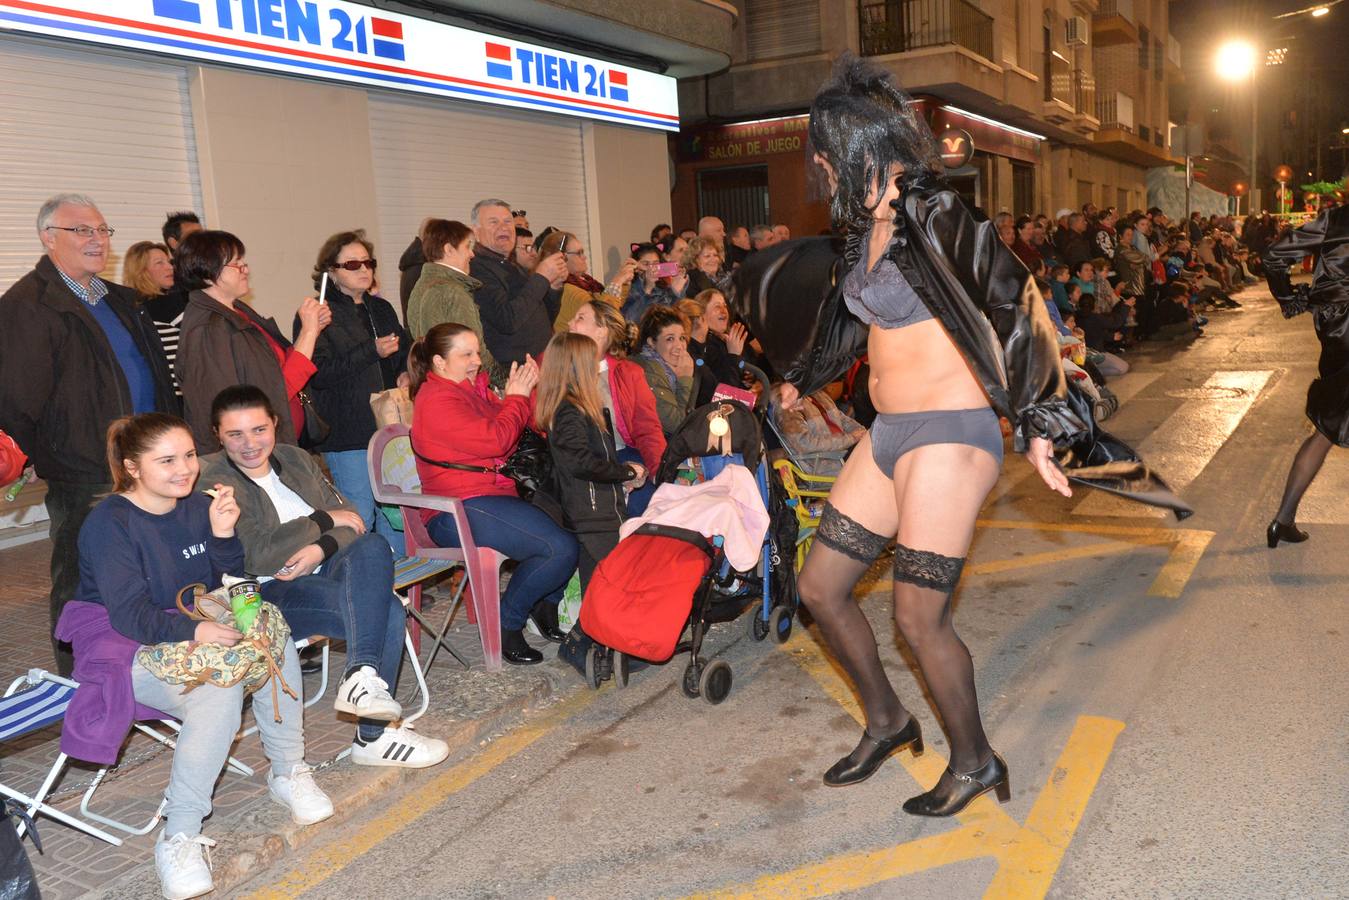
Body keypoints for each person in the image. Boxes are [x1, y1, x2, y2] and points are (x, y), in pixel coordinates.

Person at [759, 59, 1088, 817]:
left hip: (951, 430)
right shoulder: (861, 227)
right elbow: (848, 321)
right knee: (819, 589)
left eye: (821, 150)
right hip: (888, 431)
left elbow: (1013, 303)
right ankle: (887, 719)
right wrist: (801, 373)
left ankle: (974, 761)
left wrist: (1039, 422)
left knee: (917, 616)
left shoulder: (936, 213)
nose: (815, 164)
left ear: (854, 148)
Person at [59, 413, 330, 899]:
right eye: (166, 460)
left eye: (188, 455)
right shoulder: (109, 523)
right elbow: (128, 614)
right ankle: (178, 835)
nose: (184, 469)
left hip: (186, 614)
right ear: (132, 467)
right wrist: (197, 629)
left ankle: (288, 771)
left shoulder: (192, 505)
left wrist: (223, 534)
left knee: (271, 634)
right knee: (217, 691)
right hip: (121, 640)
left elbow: (224, 574)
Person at [200, 386, 449, 768]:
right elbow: (261, 554)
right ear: (218, 434)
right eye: (235, 434)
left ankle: (360, 679)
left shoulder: (294, 458)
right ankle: (373, 735)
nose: (250, 444)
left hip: (330, 568)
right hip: (269, 591)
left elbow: (355, 519)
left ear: (275, 425)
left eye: (259, 430)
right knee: (389, 612)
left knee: (373, 547)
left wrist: (320, 548)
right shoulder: (213, 476)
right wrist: (323, 520)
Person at [0, 193, 177, 675]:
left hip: (147, 460)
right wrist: (44, 453)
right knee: (83, 582)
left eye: (102, 230)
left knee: (151, 573)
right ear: (47, 237)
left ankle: (148, 674)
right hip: (86, 470)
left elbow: (156, 375)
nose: (97, 239)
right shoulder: (27, 306)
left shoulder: (119, 299)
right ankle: (81, 684)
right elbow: (16, 397)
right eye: (82, 230)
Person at [408, 324, 577, 664]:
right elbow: (497, 440)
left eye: (477, 352)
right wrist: (514, 396)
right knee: (557, 549)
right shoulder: (437, 400)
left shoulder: (469, 390)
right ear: (440, 362)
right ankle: (506, 621)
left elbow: (519, 426)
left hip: (490, 497)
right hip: (456, 510)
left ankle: (543, 605)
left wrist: (527, 391)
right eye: (466, 354)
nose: (477, 361)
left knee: (578, 523)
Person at [175, 230, 330, 451]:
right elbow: (236, 406)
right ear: (208, 273)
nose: (245, 269)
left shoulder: (238, 311)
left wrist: (313, 329)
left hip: (275, 445)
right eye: (237, 264)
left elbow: (277, 370)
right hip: (250, 453)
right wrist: (308, 332)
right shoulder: (208, 329)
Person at [301, 230, 409, 545]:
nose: (364, 269)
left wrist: (404, 372)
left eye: (368, 262)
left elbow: (402, 351)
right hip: (348, 431)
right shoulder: (318, 315)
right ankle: (363, 582)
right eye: (352, 264)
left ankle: (398, 584)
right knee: (360, 509)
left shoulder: (381, 308)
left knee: (395, 509)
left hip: (388, 424)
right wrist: (370, 352)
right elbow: (319, 374)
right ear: (331, 272)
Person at [1263, 203, 1349, 547]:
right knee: (1328, 427)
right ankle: (1282, 520)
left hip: (1338, 327)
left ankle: (1283, 520)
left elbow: (1273, 255)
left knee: (1327, 428)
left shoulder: (1337, 218)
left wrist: (1290, 298)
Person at [535, 333, 646, 587]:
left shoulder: (579, 408)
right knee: (611, 584)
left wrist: (620, 477)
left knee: (597, 585)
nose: (598, 366)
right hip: (593, 512)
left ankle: (584, 626)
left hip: (596, 509)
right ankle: (586, 627)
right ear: (576, 368)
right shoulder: (569, 411)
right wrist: (625, 472)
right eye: (592, 360)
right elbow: (580, 462)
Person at [565, 299, 666, 514]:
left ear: (602, 331)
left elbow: (647, 428)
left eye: (580, 318)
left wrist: (660, 471)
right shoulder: (556, 367)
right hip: (583, 463)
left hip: (623, 454)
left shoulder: (629, 373)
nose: (569, 323)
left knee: (651, 501)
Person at [468, 199, 567, 366]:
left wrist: (553, 287)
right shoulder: (476, 269)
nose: (504, 227)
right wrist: (541, 277)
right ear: (475, 232)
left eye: (508, 221)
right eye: (494, 222)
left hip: (541, 365)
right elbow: (507, 320)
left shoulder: (512, 265)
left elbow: (545, 316)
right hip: (513, 372)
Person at [406, 219, 501, 381]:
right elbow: (474, 350)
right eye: (467, 247)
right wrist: (502, 380)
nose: (472, 254)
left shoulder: (421, 286)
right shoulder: (452, 292)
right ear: (449, 249)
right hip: (459, 384)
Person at [536, 229, 633, 331]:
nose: (584, 257)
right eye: (579, 253)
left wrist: (624, 282)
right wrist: (617, 281)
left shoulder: (586, 283)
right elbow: (603, 318)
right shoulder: (565, 289)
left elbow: (614, 304)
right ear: (560, 258)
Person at [636, 304, 698, 434]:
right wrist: (685, 380)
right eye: (670, 339)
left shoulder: (672, 367)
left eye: (682, 338)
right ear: (652, 342)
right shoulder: (648, 371)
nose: (679, 346)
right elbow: (677, 425)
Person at [690, 288, 748, 406]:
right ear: (701, 315)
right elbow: (722, 395)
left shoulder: (726, 341)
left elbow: (740, 373)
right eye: (717, 306)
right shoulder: (705, 347)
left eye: (725, 306)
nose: (724, 311)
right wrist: (734, 356)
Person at [621, 242, 680, 324]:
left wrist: (675, 291)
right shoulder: (628, 290)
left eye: (655, 263)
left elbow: (672, 319)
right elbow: (631, 320)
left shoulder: (662, 288)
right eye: (646, 264)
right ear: (636, 267)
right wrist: (648, 288)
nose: (652, 268)